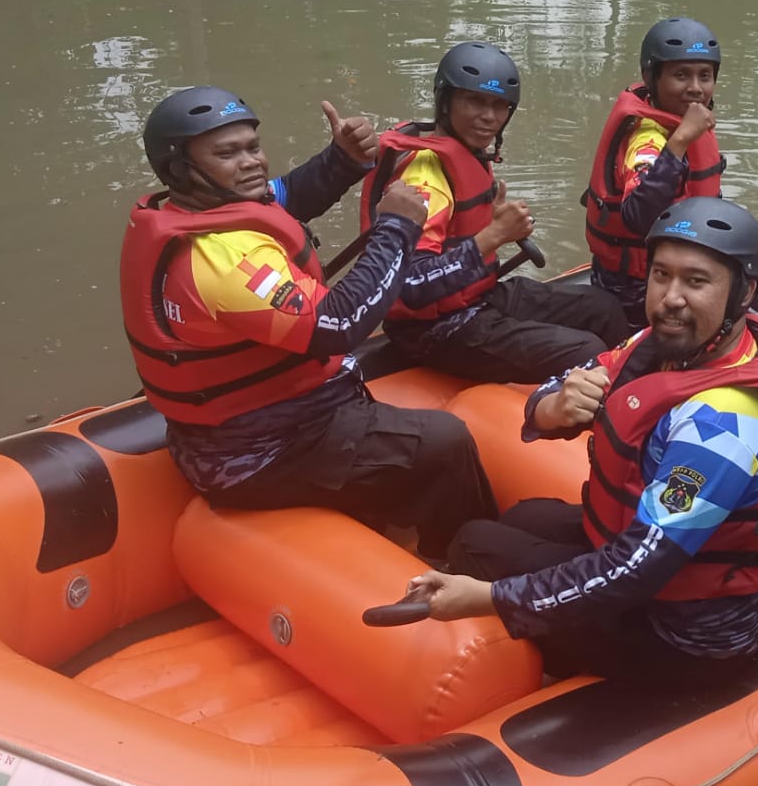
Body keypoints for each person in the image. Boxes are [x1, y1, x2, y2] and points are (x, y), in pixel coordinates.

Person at [402, 197, 758, 682]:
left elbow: (639, 567)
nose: (670, 297)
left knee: (476, 543)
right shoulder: (668, 342)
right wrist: (553, 406)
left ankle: (554, 673)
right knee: (523, 517)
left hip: (683, 628)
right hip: (650, 557)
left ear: (744, 294)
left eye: (696, 281)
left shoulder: (724, 425)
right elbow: (576, 380)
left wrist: (491, 598)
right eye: (662, 275)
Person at [119, 85, 498, 558]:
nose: (252, 162)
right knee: (444, 440)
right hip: (256, 452)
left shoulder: (204, 206)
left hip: (270, 417)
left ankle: (395, 519)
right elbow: (338, 326)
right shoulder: (222, 260)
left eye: (252, 147)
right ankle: (468, 560)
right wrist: (397, 228)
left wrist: (341, 160)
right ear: (180, 168)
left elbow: (288, 195)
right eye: (228, 154)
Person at [358, 42, 630, 383]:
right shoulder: (424, 180)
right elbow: (409, 283)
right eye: (475, 101)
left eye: (500, 105)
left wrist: (492, 220)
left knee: (603, 308)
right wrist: (496, 234)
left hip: (476, 297)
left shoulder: (466, 154)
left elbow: (454, 240)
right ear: (445, 102)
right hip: (432, 328)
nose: (489, 117)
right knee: (584, 350)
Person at [581, 17, 758, 331]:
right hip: (641, 289)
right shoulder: (647, 141)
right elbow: (638, 215)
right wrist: (679, 142)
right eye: (680, 75)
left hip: (676, 260)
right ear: (652, 78)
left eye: (705, 76)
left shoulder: (675, 121)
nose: (695, 88)